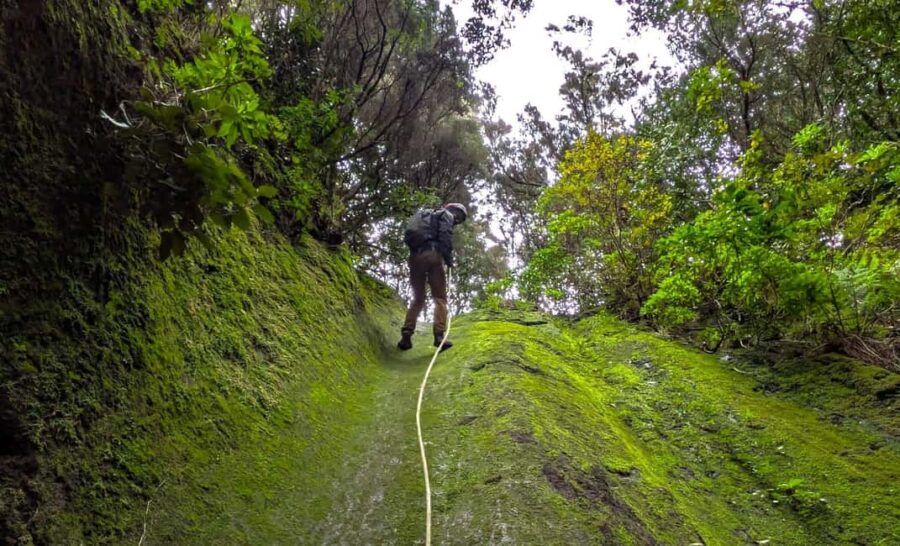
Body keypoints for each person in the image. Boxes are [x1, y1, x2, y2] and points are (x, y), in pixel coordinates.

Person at [398, 203, 468, 352]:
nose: (456, 220)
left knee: (418, 299)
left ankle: (406, 334)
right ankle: (439, 336)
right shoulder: (446, 215)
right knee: (440, 298)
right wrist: (448, 260)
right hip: (433, 255)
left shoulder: (424, 214)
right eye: (458, 217)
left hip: (415, 257)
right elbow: (445, 235)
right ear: (454, 211)